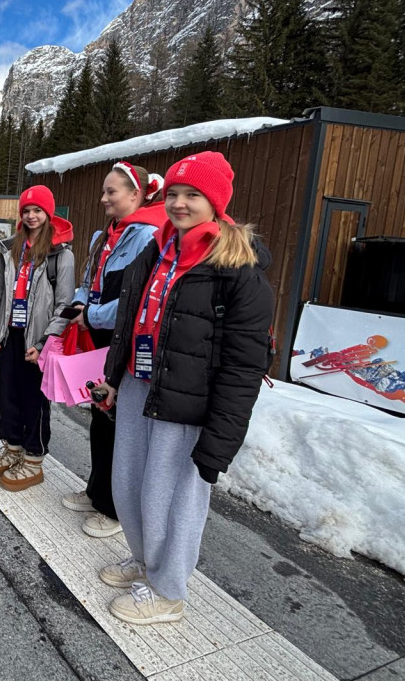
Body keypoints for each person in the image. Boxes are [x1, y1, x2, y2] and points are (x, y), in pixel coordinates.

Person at [91, 151, 274, 625]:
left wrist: (219, 442)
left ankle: (169, 590)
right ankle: (145, 560)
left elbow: (243, 364)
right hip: (138, 386)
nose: (179, 203)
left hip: (188, 404)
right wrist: (113, 379)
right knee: (128, 485)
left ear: (215, 202)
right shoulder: (158, 249)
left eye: (193, 195)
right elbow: (131, 324)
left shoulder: (239, 268)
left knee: (170, 498)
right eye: (172, 193)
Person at [60, 162, 166, 537]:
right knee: (100, 419)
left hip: (122, 341)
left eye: (112, 192)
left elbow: (133, 303)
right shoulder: (104, 235)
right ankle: (97, 490)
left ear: (136, 194)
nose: (103, 198)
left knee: (121, 425)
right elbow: (89, 281)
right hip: (98, 336)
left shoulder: (148, 237)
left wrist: (91, 315)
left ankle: (115, 509)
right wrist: (78, 304)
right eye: (104, 191)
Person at [0, 185, 75, 491]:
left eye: (37, 211)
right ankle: (12, 447)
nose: (32, 216)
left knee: (34, 399)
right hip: (12, 335)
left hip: (38, 340)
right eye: (26, 211)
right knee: (8, 394)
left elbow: (65, 305)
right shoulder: (10, 251)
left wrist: (45, 343)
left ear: (49, 214)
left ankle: (33, 457)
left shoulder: (61, 255)